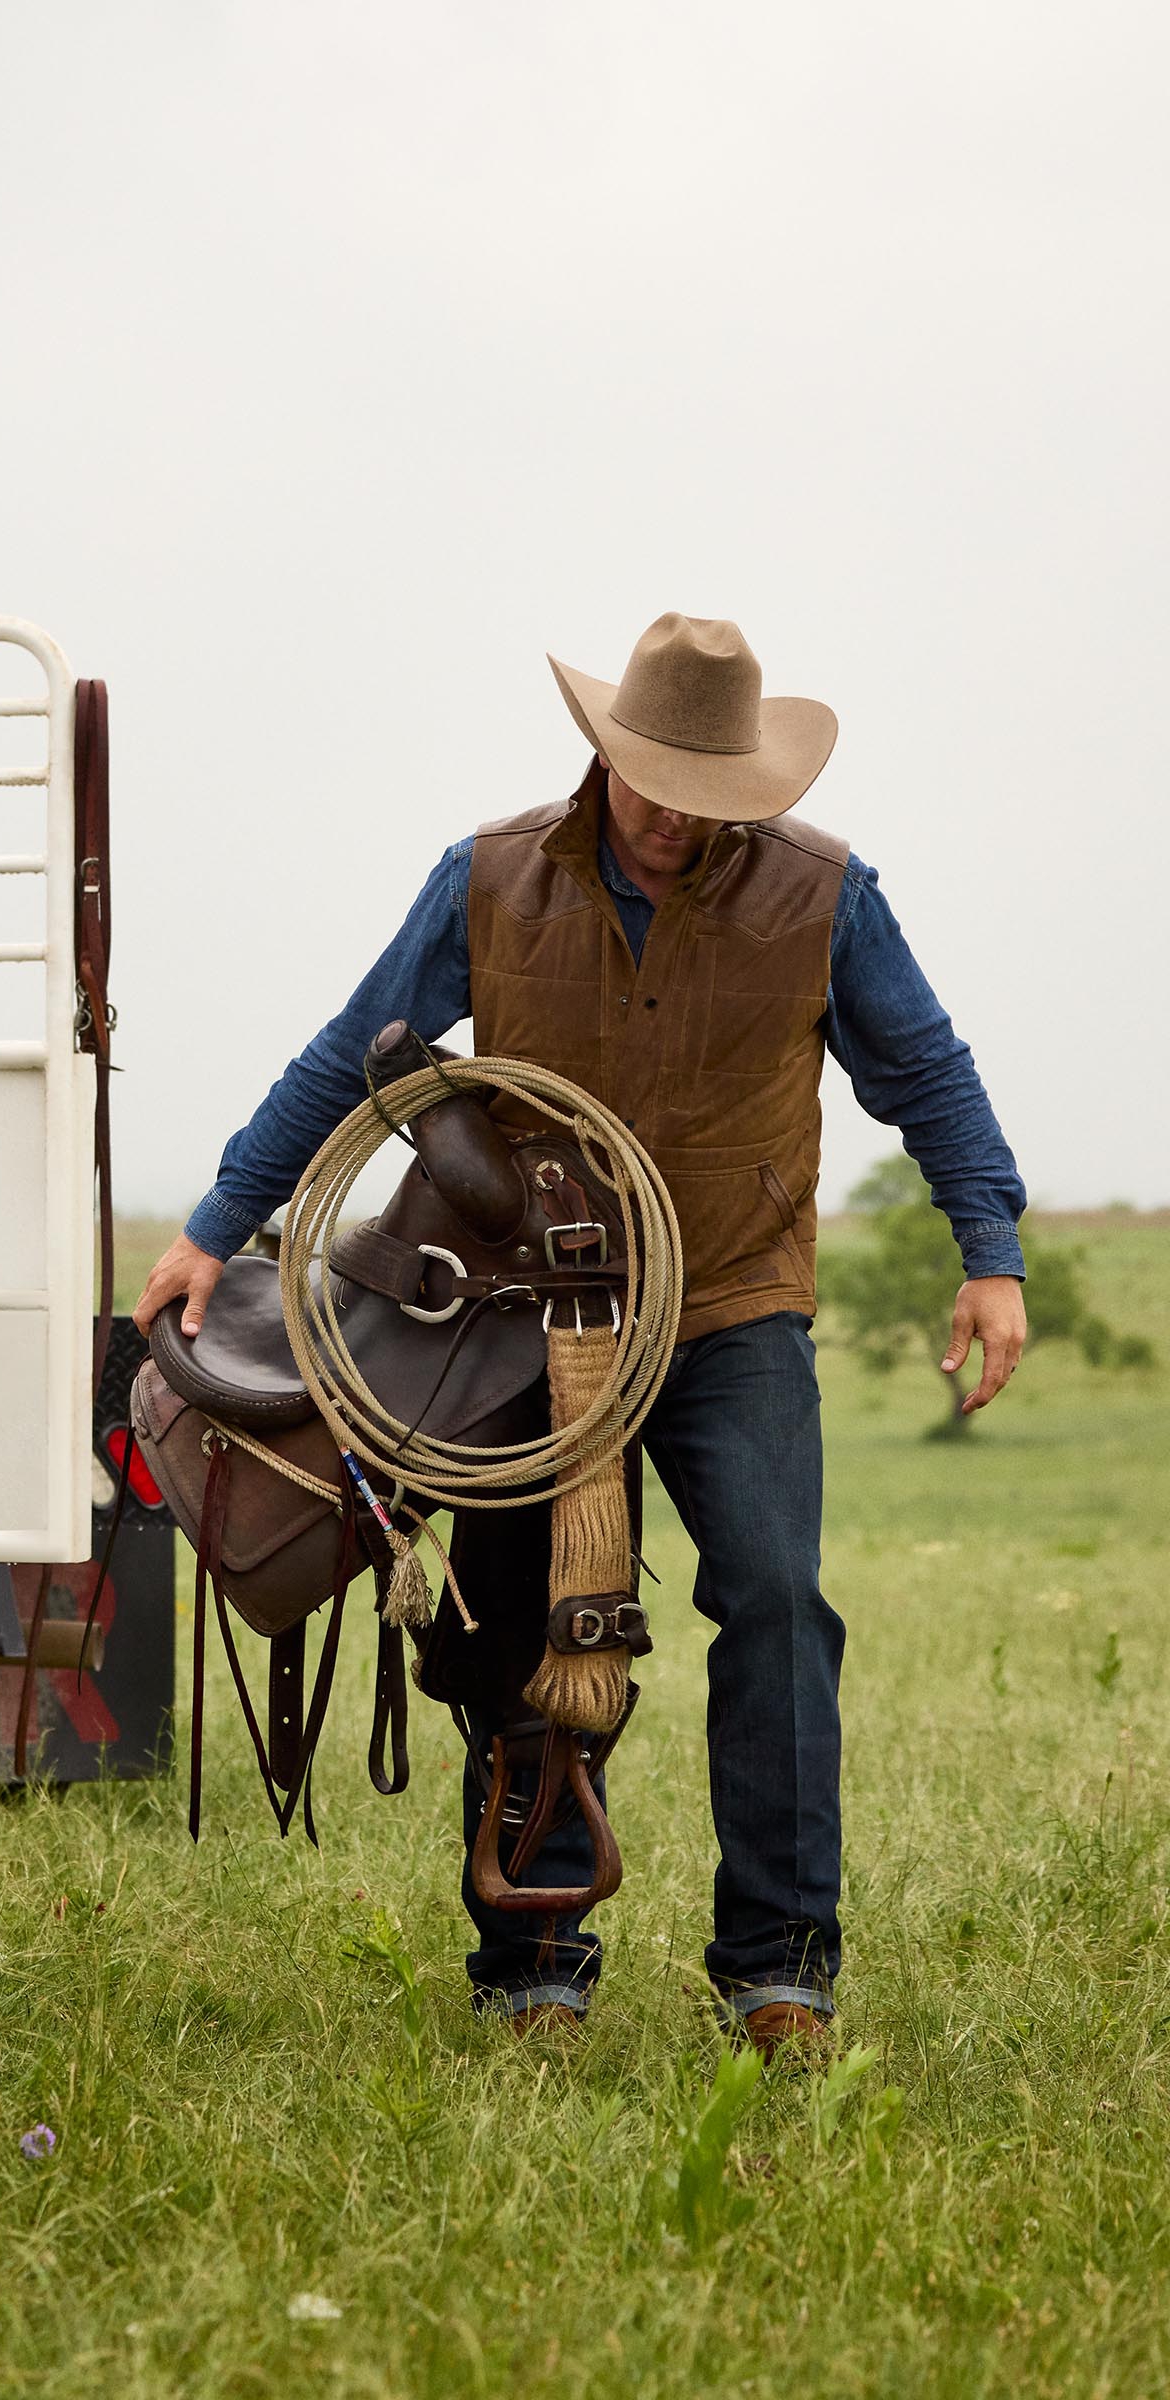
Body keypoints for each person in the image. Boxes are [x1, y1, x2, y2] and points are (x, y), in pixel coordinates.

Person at [133, 612, 1027, 2059]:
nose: (675, 815)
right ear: (603, 755)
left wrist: (991, 1254)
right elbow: (352, 1046)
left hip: (729, 1298)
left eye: (706, 790)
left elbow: (926, 1070)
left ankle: (780, 1965)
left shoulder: (824, 894)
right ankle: (534, 1961)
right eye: (652, 777)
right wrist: (214, 1224)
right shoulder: (488, 876)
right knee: (523, 1622)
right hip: (529, 1306)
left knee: (779, 1603)